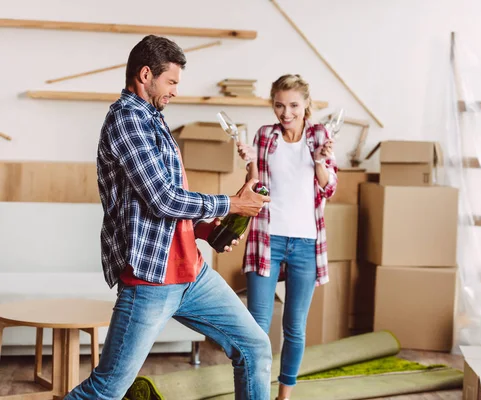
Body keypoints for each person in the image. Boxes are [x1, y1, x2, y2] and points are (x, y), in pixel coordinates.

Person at [65, 35, 272, 400]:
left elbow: (170, 195)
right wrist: (232, 204)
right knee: (107, 388)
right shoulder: (127, 120)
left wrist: (208, 228)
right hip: (151, 280)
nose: (176, 90)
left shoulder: (154, 118)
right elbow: (162, 199)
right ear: (146, 74)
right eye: (172, 81)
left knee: (254, 347)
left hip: (191, 274)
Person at [237, 74, 338, 400]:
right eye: (279, 105)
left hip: (306, 243)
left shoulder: (320, 135)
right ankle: (257, 392)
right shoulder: (265, 136)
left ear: (307, 104)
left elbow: (329, 187)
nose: (286, 112)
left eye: (293, 105)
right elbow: (256, 186)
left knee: (294, 328)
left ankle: (284, 396)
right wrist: (250, 163)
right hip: (268, 238)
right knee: (256, 327)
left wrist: (320, 159)